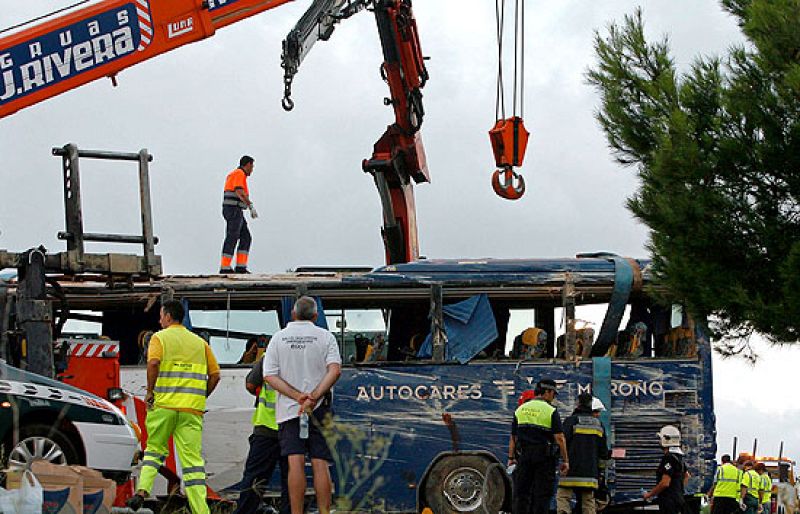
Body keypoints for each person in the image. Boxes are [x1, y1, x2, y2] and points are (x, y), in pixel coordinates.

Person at [127, 300, 221, 513]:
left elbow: (153, 363)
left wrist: (150, 391)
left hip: (164, 406)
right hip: (191, 410)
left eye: (161, 316)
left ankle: (142, 490)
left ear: (168, 317)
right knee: (193, 463)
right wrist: (200, 396)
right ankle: (201, 509)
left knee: (154, 450)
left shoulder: (159, 338)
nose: (159, 320)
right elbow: (215, 375)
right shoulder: (199, 343)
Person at [264, 296, 342, 514]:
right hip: (320, 409)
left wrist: (298, 396)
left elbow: (269, 375)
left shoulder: (279, 338)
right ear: (316, 316)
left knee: (295, 462)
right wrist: (314, 397)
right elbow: (335, 370)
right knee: (320, 463)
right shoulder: (325, 337)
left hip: (290, 410)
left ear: (293, 314)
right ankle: (324, 511)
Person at [233, 355, 289, 514]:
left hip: (267, 425)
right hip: (293, 426)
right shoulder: (304, 355)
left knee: (254, 479)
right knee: (291, 480)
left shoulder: (272, 353)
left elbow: (251, 384)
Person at [510, 378, 569, 514]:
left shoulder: (520, 409)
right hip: (544, 458)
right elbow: (559, 438)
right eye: (553, 393)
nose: (554, 397)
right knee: (542, 494)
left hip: (524, 457)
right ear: (547, 392)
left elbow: (513, 437)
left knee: (522, 493)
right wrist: (565, 460)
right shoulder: (550, 410)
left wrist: (511, 457)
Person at [556, 394, 609, 514]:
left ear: (578, 404)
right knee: (588, 501)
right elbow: (603, 452)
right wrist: (600, 471)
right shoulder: (598, 424)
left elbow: (561, 443)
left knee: (563, 497)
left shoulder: (570, 421)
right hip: (590, 473)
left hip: (570, 471)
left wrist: (562, 460)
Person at [220, 155, 257, 274]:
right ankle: (225, 267)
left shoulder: (236, 174)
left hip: (235, 210)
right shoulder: (239, 174)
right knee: (232, 236)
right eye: (252, 166)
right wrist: (250, 205)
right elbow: (239, 191)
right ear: (248, 165)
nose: (252, 169)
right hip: (233, 209)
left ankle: (241, 267)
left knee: (246, 237)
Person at [643, 425, 690, 514]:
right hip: (679, 499)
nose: (659, 442)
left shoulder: (668, 457)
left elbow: (665, 483)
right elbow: (687, 476)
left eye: (660, 439)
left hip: (668, 502)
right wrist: (677, 490)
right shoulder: (679, 457)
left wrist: (649, 494)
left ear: (666, 439)